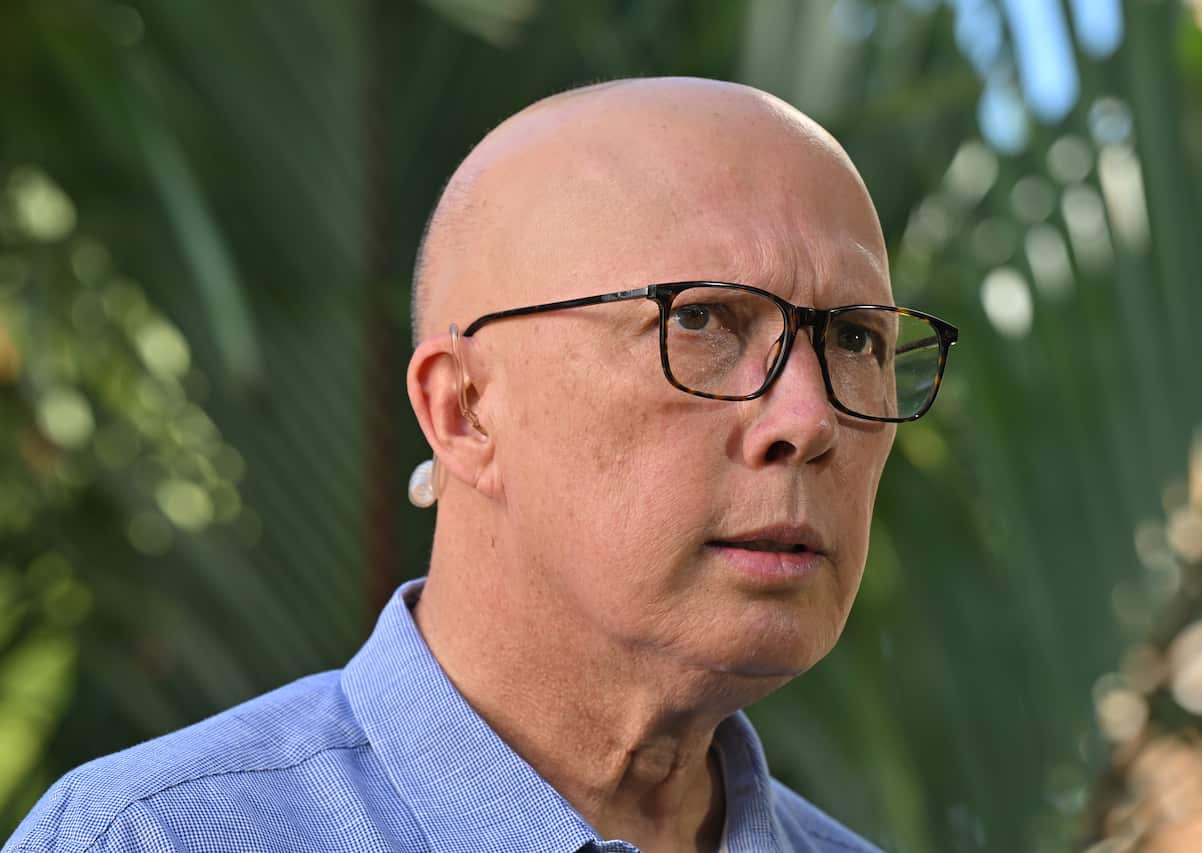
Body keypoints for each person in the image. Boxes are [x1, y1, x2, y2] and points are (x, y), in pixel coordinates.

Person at [6, 76, 956, 853]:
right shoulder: (157, 838)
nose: (808, 416)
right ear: (462, 411)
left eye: (855, 339)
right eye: (700, 320)